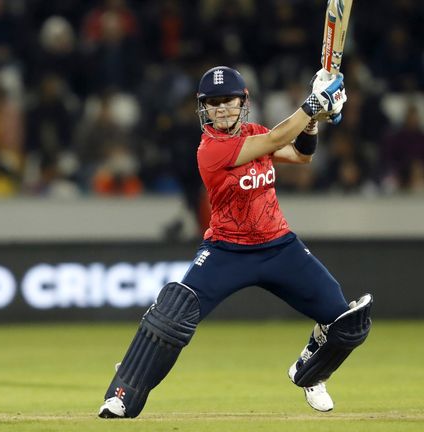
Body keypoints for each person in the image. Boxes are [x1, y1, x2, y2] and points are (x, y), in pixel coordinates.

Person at [98, 66, 372, 418]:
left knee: (346, 321)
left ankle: (311, 373)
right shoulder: (210, 150)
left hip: (279, 247)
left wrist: (315, 120)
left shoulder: (256, 133)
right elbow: (275, 141)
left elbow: (302, 155)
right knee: (171, 318)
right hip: (226, 250)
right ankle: (123, 392)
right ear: (204, 110)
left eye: (228, 100)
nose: (221, 109)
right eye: (213, 104)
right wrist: (313, 103)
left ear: (243, 102)